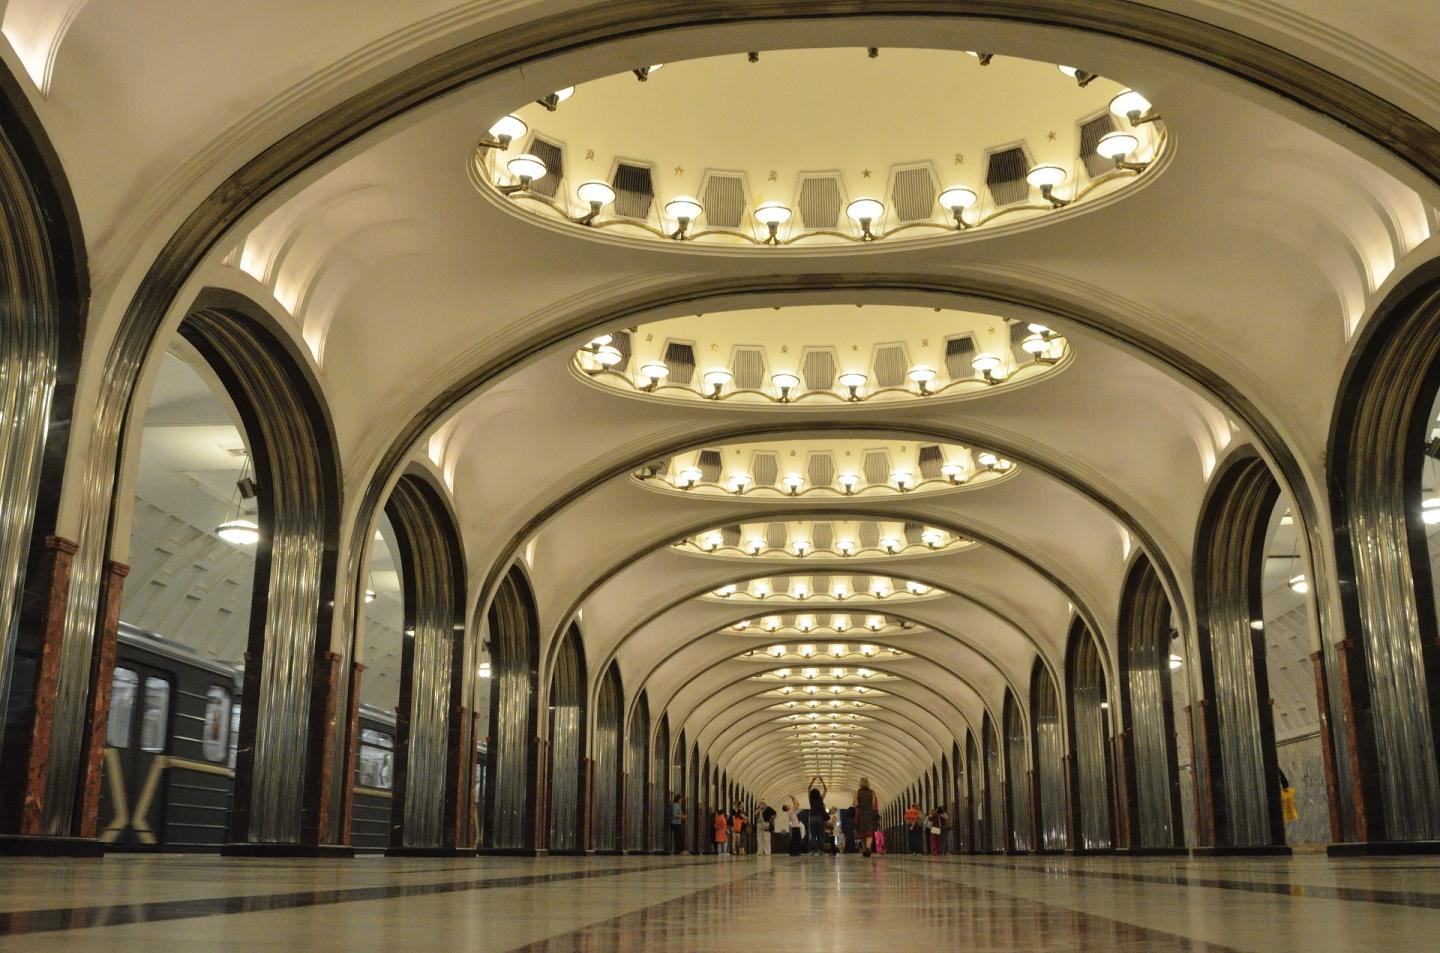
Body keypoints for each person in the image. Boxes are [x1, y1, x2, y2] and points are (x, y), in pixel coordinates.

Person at [853, 777, 880, 857]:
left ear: (860, 783)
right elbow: (873, 804)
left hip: (860, 814)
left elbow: (855, 804)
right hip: (869, 813)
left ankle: (865, 848)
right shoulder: (872, 792)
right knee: (869, 833)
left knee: (861, 832)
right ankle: (868, 848)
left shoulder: (857, 792)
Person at [807, 775, 828, 855]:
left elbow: (808, 788)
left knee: (813, 836)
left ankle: (812, 851)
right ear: (818, 794)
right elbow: (826, 789)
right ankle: (821, 851)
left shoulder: (811, 800)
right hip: (820, 818)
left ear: (812, 794)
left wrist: (813, 780)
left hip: (812, 818)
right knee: (820, 836)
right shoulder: (820, 799)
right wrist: (822, 781)